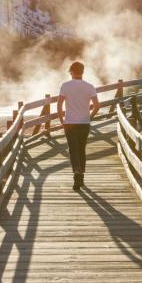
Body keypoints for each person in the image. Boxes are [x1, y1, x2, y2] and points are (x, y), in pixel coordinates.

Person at [57, 61, 99, 191]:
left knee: (73, 149)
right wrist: (90, 117)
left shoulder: (65, 86)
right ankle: (81, 176)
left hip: (69, 123)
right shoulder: (89, 86)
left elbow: (59, 105)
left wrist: (61, 120)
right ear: (83, 72)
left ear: (71, 71)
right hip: (84, 123)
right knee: (82, 149)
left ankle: (76, 171)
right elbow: (97, 105)